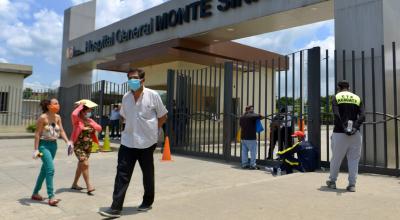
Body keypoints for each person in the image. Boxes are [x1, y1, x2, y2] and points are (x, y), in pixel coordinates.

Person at [99, 68, 168, 218]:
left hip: (147, 142)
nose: (132, 81)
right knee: (122, 173)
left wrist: (153, 130)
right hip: (128, 141)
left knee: (147, 174)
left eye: (135, 78)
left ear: (143, 80)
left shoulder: (153, 95)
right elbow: (123, 116)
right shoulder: (126, 97)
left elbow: (163, 116)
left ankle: (147, 201)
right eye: (130, 78)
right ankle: (116, 207)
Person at [326, 80, 365, 192]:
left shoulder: (336, 97)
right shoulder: (357, 98)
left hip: (339, 133)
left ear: (339, 87)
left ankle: (332, 182)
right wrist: (354, 128)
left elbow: (336, 115)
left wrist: (344, 128)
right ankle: (352, 185)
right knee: (353, 160)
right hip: (355, 134)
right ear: (348, 87)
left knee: (336, 159)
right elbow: (362, 116)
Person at [31, 98, 70, 206]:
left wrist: (68, 142)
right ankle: (51, 196)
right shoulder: (43, 118)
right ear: (49, 105)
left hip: (53, 146)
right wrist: (36, 149)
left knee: (44, 170)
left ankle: (35, 193)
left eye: (58, 103)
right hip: (43, 146)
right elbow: (37, 134)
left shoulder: (58, 117)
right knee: (50, 169)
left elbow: (61, 130)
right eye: (55, 103)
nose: (58, 105)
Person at [70, 99, 102, 195]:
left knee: (81, 165)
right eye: (88, 110)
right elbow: (74, 114)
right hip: (78, 146)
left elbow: (99, 128)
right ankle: (89, 186)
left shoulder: (89, 120)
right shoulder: (77, 120)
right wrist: (80, 105)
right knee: (85, 164)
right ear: (82, 110)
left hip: (88, 146)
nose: (90, 112)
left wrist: (91, 124)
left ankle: (74, 184)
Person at [239, 105, 264, 170]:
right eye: (252, 109)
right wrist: (260, 115)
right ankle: (252, 165)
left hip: (243, 137)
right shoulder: (252, 115)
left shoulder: (242, 117)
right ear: (249, 109)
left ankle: (244, 164)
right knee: (253, 151)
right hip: (251, 137)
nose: (253, 110)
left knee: (244, 152)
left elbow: (241, 125)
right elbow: (260, 116)